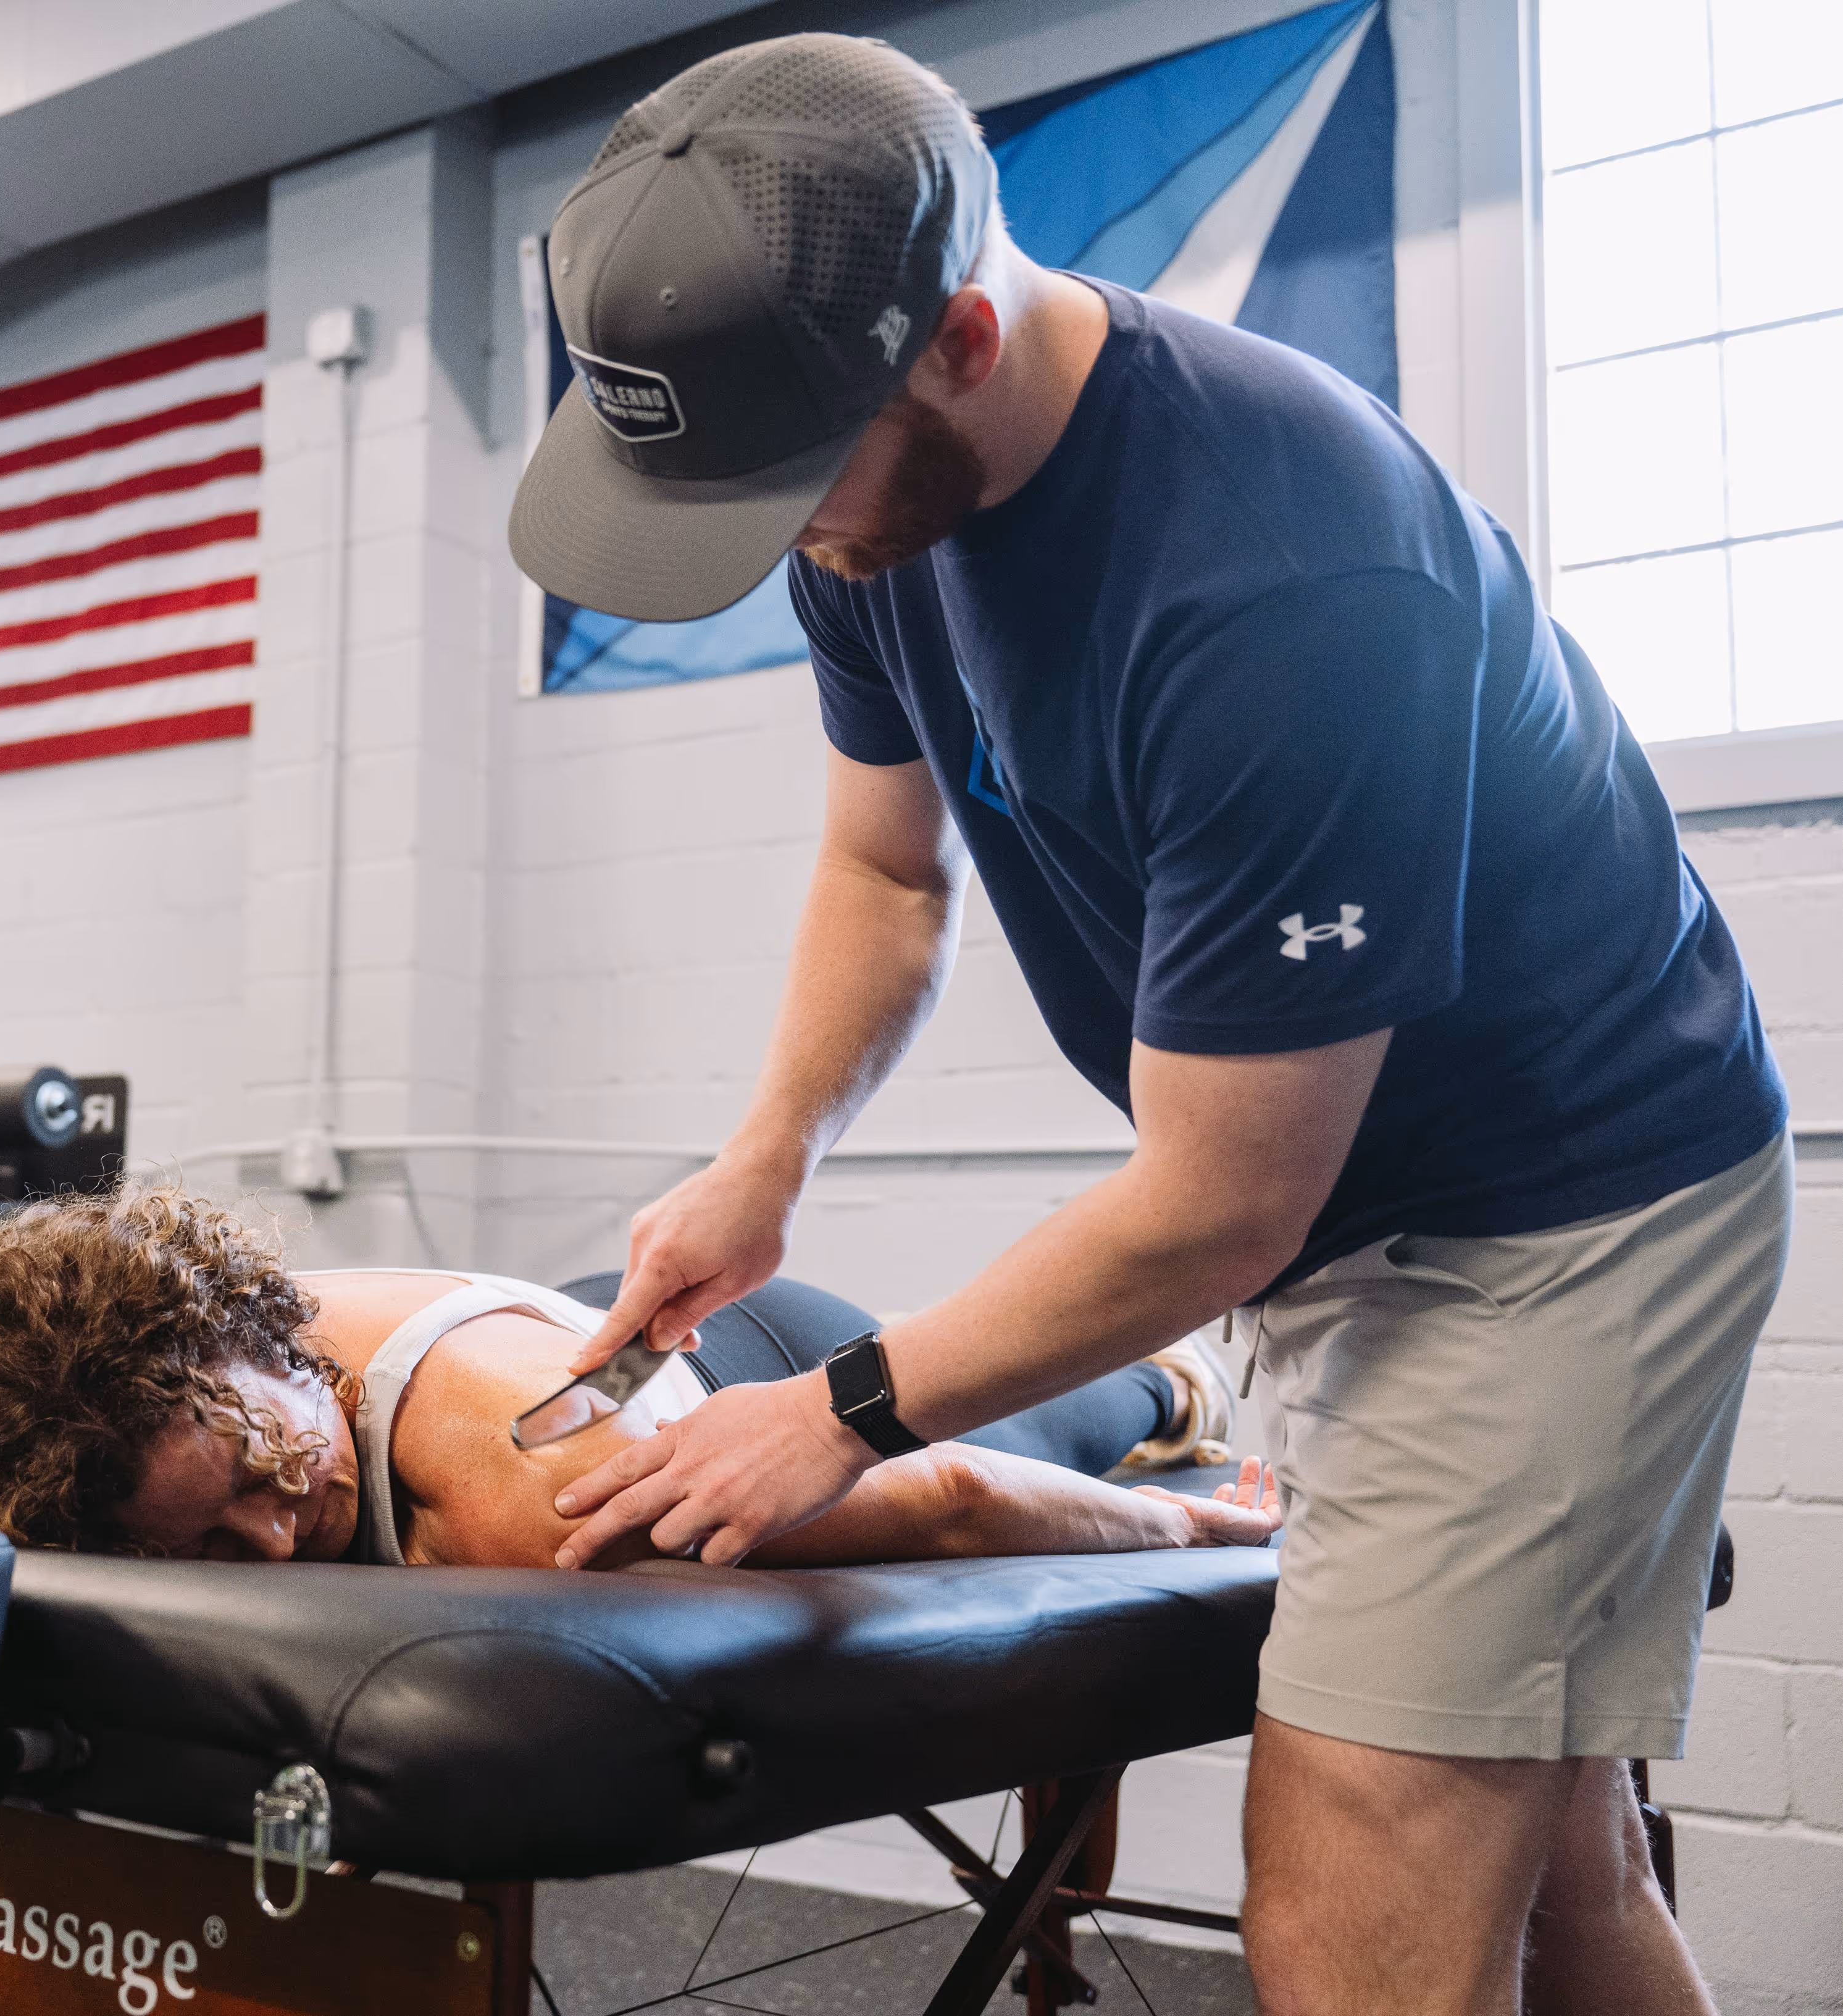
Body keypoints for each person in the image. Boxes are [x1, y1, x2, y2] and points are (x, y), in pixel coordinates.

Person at [503, 31, 1789, 2016]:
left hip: (1568, 1224)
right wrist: (765, 1163)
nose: (779, 544)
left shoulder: (1282, 569)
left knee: (1362, 1882)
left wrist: (834, 1416)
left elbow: (1214, 1207)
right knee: (1551, 1870)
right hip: (1362, 1217)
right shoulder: (872, 517)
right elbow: (883, 873)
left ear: (953, 338)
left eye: (781, 486)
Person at [0, 1186, 1272, 1568]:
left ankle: (1169, 1393)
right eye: (214, 1542)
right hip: (569, 1328)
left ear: (262, 1349)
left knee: (1090, 1405)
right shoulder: (80, 1415)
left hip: (748, 1373)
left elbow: (963, 1495)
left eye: (271, 1473)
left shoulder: (533, 1486)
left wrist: (1214, 1539)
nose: (285, 1537)